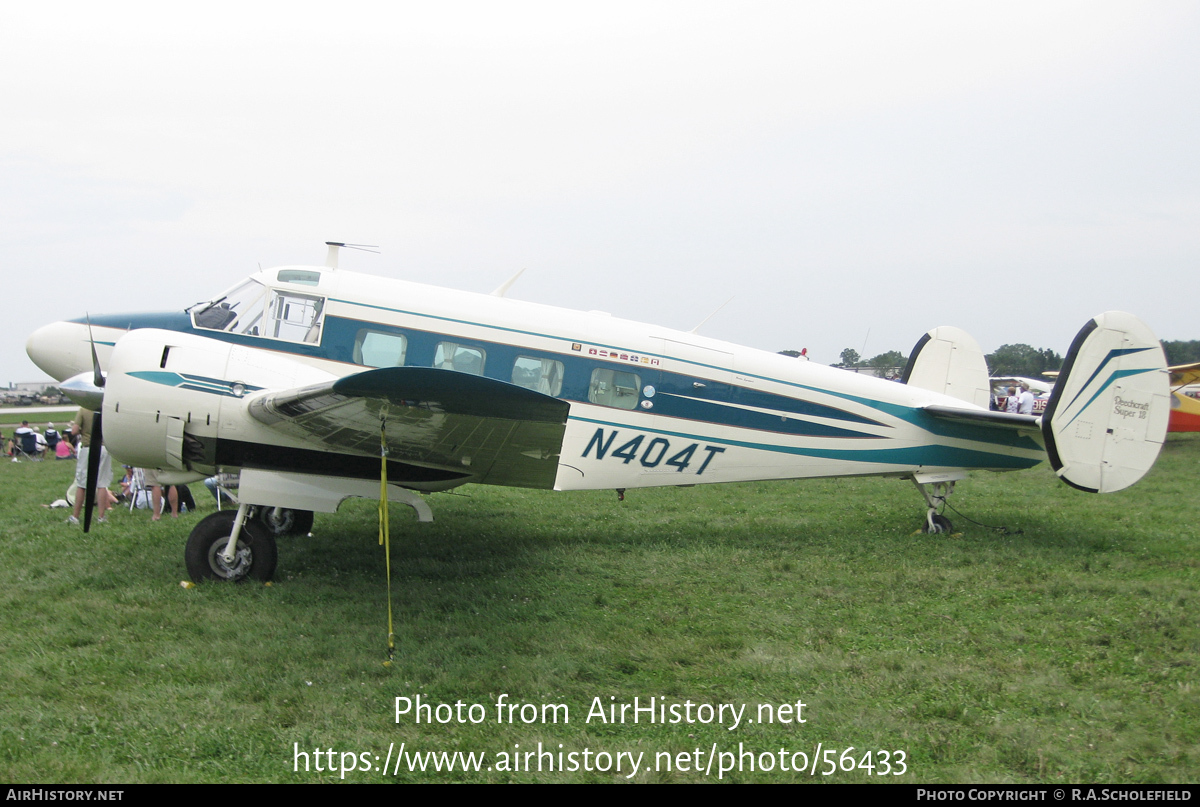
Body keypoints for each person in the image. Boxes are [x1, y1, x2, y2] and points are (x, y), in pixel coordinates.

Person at [68, 408, 115, 526]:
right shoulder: (105, 408)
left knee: (82, 483)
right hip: (104, 448)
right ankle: (101, 516)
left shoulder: (83, 409)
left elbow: (74, 431)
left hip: (88, 446)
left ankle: (76, 516)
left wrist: (83, 430)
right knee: (102, 483)